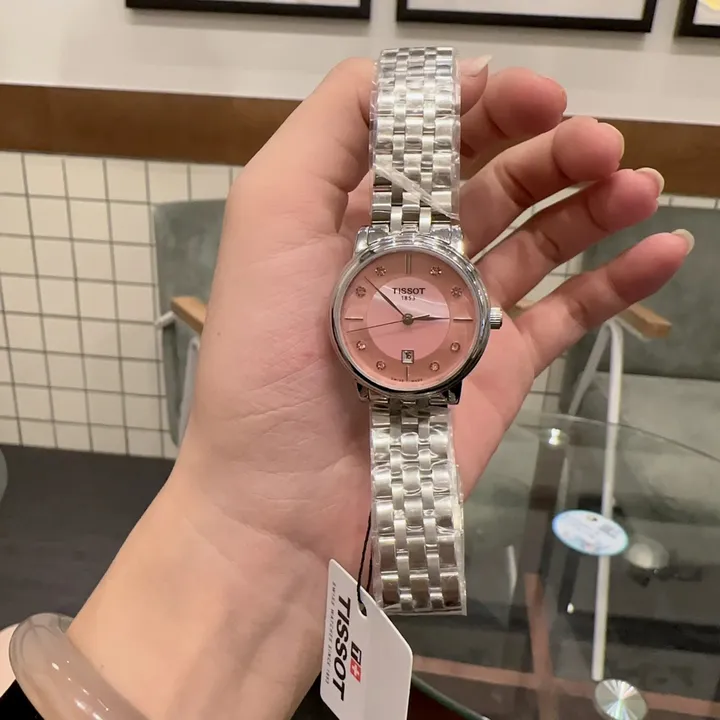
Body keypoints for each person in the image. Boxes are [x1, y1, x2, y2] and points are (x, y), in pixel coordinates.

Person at [5, 56, 691, 719]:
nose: (410, 315)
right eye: (397, 308)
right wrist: (245, 524)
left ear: (479, 315)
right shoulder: (374, 286)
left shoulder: (438, 305)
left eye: (424, 309)